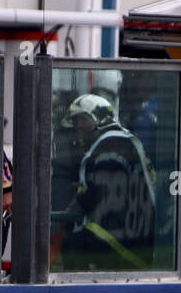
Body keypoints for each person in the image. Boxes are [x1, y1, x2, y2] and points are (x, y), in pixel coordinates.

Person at [59, 93, 156, 271]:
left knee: (72, 246)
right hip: (135, 235)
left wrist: (70, 214)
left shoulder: (110, 144)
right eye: (76, 121)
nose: (78, 126)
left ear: (103, 118)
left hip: (121, 237)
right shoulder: (122, 140)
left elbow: (102, 193)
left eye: (83, 119)